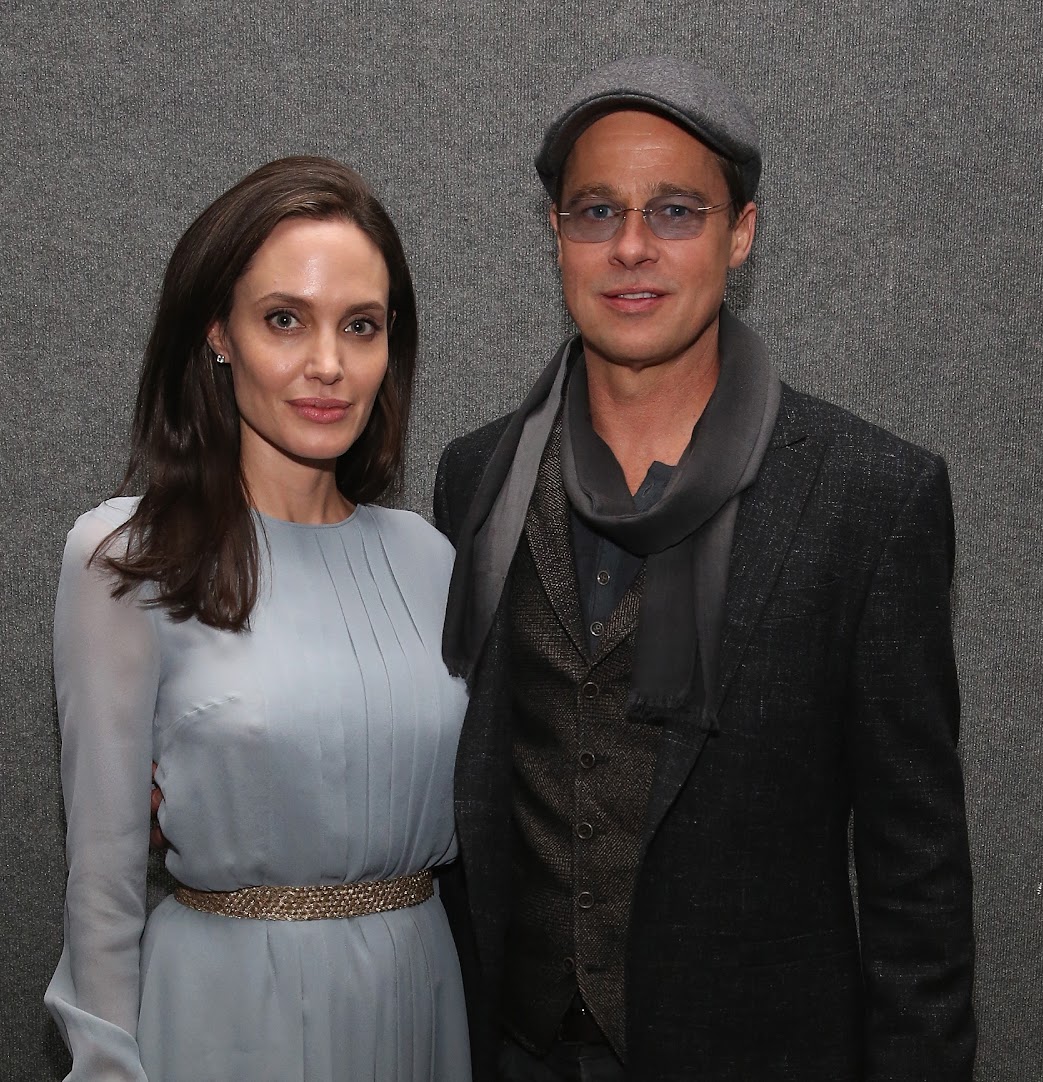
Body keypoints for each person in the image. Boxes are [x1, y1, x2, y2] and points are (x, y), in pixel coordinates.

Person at [435, 58, 976, 1080]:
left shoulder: (872, 496)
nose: (630, 247)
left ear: (741, 234)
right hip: (512, 1051)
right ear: (555, 235)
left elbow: (918, 882)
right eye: (596, 211)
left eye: (675, 211)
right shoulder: (476, 475)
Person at [45, 156, 471, 1082]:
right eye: (286, 319)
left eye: (360, 326)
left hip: (422, 1004)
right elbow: (105, 884)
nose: (328, 364)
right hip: (228, 1018)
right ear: (218, 334)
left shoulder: (432, 559)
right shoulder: (126, 558)